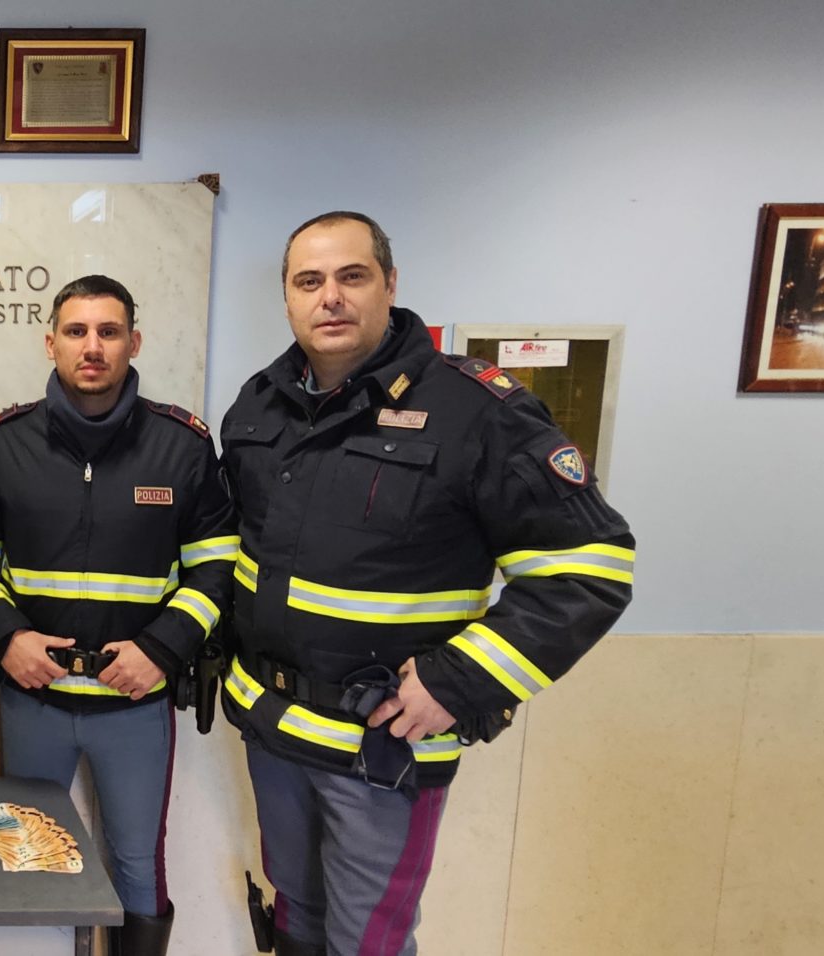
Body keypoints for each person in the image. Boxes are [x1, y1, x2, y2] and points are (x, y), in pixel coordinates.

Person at [218, 212, 635, 955]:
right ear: (287, 298)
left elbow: (589, 568)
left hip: (382, 750)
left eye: (352, 276)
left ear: (390, 284)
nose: (330, 297)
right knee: (295, 925)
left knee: (368, 941)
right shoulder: (259, 404)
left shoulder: (476, 412)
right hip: (273, 729)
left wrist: (459, 680)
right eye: (309, 281)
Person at [0, 275, 238, 955]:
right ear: (51, 343)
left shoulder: (182, 446)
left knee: (135, 861)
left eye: (109, 331)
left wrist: (161, 649)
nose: (93, 346)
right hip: (35, 697)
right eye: (76, 331)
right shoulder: (5, 444)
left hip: (132, 701)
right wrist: (6, 637)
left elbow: (217, 565)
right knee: (25, 851)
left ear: (135, 342)